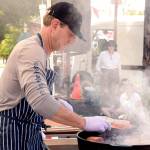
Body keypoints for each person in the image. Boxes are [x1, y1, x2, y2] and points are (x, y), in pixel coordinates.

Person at [0, 2, 110, 150]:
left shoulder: (43, 53)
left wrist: (55, 101)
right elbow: (40, 101)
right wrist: (83, 122)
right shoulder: (31, 50)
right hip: (12, 133)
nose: (72, 41)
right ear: (55, 24)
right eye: (70, 34)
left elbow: (31, 94)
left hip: (29, 131)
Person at [96, 40, 121, 107]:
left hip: (114, 73)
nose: (111, 48)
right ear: (107, 47)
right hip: (105, 73)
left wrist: (120, 76)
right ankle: (103, 106)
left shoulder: (117, 55)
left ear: (115, 47)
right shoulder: (102, 54)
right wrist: (100, 73)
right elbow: (98, 65)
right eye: (109, 46)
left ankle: (112, 106)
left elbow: (119, 67)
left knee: (113, 91)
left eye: (112, 46)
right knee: (105, 91)